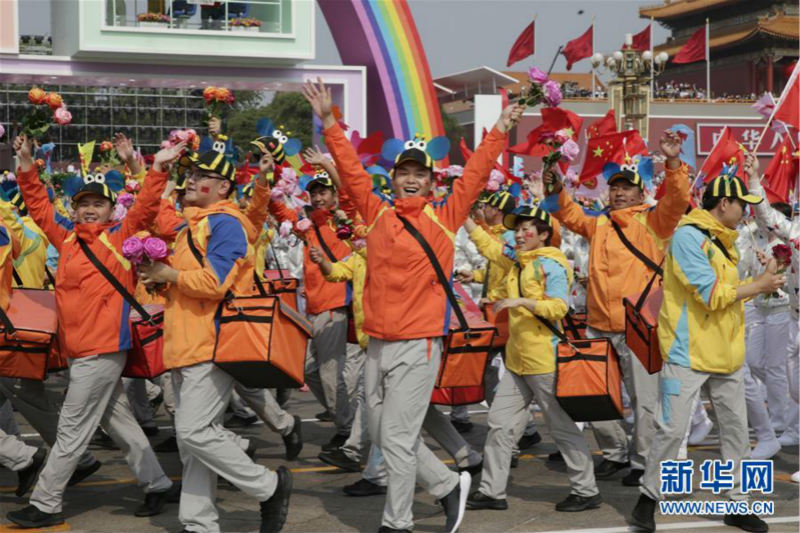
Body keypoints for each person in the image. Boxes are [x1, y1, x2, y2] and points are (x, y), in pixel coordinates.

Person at [303, 76, 523, 533]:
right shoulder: (376, 212)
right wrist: (328, 121)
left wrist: (500, 126)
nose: (410, 179)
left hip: (419, 345)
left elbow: (479, 170)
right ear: (395, 178)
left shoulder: (445, 219)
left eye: (419, 174)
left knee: (398, 440)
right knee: (384, 434)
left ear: (430, 182)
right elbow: (351, 169)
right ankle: (446, 485)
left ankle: (397, 523)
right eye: (404, 173)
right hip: (376, 344)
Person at [6, 134, 177, 529]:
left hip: (101, 350)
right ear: (74, 207)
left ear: (110, 209)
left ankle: (46, 503)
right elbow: (36, 204)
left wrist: (156, 167)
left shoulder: (121, 237)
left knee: (71, 428)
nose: (89, 210)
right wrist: (27, 164)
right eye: (83, 203)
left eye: (97, 203)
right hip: (80, 351)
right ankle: (157, 483)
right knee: (119, 422)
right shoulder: (65, 239)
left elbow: (148, 205)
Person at [137, 149, 292, 533]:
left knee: (193, 433)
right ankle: (198, 523)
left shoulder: (225, 224)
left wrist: (169, 274)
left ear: (223, 186)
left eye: (200, 175)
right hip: (186, 344)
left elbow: (215, 284)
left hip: (211, 344)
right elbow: (192, 284)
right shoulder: (194, 225)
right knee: (192, 447)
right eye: (188, 175)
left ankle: (268, 486)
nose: (189, 180)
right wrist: (162, 280)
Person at [630, 172, 785, 533]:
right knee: (671, 431)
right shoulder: (688, 237)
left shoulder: (726, 240)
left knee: (736, 432)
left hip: (726, 353)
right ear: (723, 204)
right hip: (687, 352)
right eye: (742, 204)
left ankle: (738, 503)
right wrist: (758, 284)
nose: (747, 211)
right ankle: (647, 499)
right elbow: (712, 294)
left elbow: (730, 290)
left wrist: (764, 277)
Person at [543, 131, 689, 486]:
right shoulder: (599, 223)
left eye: (627, 187)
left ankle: (641, 461)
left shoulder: (654, 221)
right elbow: (568, 212)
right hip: (598, 324)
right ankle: (614, 452)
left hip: (639, 326)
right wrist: (554, 183)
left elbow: (679, 198)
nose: (619, 192)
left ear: (641, 193)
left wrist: (672, 162)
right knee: (591, 393)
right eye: (615, 187)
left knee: (645, 400)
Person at [463, 207, 601, 512]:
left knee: (561, 427)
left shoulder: (550, 265)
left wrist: (521, 302)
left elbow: (559, 307)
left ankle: (586, 489)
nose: (521, 235)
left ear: (543, 235)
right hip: (517, 361)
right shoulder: (518, 262)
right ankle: (491, 491)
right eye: (518, 229)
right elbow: (488, 247)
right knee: (498, 423)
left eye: (528, 230)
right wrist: (463, 216)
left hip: (544, 362)